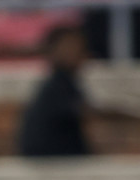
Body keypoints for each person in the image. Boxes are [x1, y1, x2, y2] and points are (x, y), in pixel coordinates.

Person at [16, 25, 91, 159]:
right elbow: (86, 112)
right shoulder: (55, 87)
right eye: (68, 47)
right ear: (51, 51)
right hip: (49, 165)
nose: (74, 52)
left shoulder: (68, 84)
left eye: (77, 47)